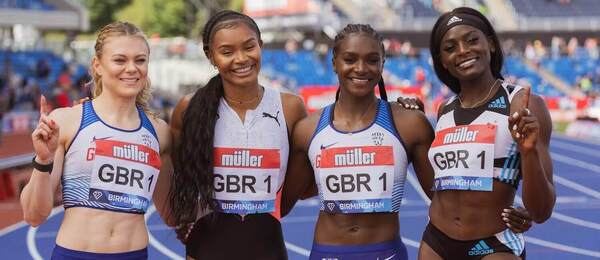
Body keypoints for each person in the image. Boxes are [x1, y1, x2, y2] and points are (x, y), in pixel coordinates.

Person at [282, 23, 535, 260]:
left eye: (372, 60)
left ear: (383, 64)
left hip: (386, 252)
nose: (360, 68)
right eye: (350, 59)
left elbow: (446, 196)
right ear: (334, 62)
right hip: (327, 251)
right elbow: (288, 201)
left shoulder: (410, 124)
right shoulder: (308, 129)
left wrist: (507, 210)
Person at [20, 21, 173, 259]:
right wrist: (42, 159)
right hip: (74, 254)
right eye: (120, 60)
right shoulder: (66, 121)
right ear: (97, 65)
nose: (132, 68)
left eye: (140, 60)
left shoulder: (159, 132)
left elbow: (173, 214)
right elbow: (33, 215)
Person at [167, 10, 306, 259]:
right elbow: (176, 171)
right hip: (204, 251)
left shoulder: (290, 107)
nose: (241, 59)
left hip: (269, 249)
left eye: (249, 47)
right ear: (211, 56)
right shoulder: (188, 109)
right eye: (227, 52)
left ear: (260, 46)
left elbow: (308, 176)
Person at [418, 7, 554, 259]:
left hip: (493, 244)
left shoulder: (522, 103)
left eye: (472, 40)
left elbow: (542, 211)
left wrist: (529, 151)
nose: (462, 51)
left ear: (490, 44)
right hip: (435, 242)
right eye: (450, 48)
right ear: (443, 62)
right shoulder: (444, 110)